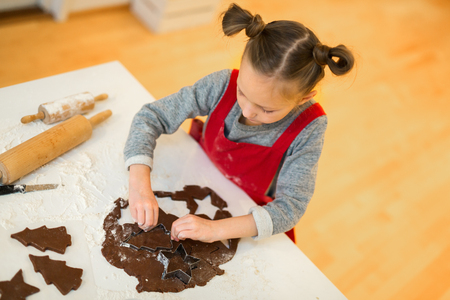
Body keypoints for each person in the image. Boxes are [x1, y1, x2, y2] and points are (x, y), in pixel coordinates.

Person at [124, 3, 354, 243]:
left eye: (266, 109)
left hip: (243, 211)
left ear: (304, 98)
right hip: (198, 172)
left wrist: (216, 230)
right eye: (242, 92)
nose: (246, 111)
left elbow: (291, 208)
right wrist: (139, 183)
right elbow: (151, 117)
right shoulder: (221, 84)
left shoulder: (309, 127)